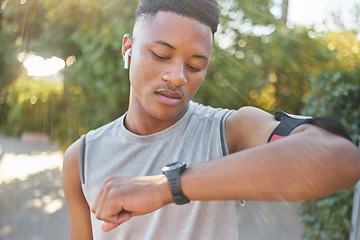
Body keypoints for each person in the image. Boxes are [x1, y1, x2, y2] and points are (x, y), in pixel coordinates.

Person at [62, 0, 360, 239]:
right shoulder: (81, 157)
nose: (177, 77)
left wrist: (165, 187)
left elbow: (341, 158)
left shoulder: (229, 131)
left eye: (194, 66)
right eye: (161, 55)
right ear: (128, 48)